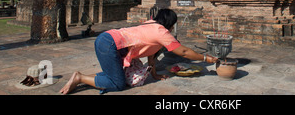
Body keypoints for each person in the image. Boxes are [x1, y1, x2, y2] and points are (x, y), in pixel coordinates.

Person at [59, 8, 217, 94]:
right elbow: (183, 52)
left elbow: (151, 56)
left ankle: (84, 77)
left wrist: (154, 75)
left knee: (115, 77)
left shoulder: (150, 24)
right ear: (170, 23)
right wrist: (206, 58)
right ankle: (79, 78)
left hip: (108, 40)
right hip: (110, 44)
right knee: (118, 84)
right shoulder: (161, 32)